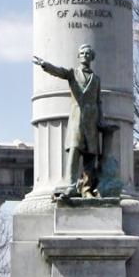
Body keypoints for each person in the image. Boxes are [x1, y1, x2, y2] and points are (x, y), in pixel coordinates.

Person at [34, 44, 102, 196]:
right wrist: (45, 65)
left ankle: (87, 189)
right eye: (82, 53)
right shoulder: (72, 74)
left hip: (91, 121)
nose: (85, 55)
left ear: (92, 57)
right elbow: (60, 72)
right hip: (77, 119)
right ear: (78, 56)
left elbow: (98, 102)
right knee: (74, 153)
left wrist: (100, 120)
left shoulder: (96, 79)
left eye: (88, 53)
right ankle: (70, 185)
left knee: (90, 157)